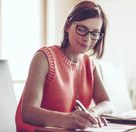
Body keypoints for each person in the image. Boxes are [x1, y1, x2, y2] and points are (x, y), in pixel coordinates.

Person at [15, 1, 113, 131]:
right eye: (82, 29)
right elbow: (28, 112)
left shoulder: (89, 64)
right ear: (68, 26)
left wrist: (92, 113)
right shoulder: (44, 57)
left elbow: (107, 103)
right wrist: (66, 119)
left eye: (94, 33)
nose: (87, 39)